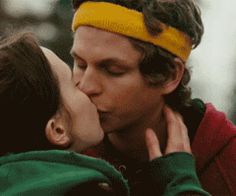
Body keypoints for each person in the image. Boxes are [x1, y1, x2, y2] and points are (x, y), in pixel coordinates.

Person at [0, 32, 209, 195]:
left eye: (112, 69)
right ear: (58, 129)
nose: (86, 87)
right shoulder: (79, 190)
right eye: (73, 84)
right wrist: (182, 184)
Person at [70, 0, 236, 195]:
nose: (86, 86)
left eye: (112, 70)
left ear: (169, 75)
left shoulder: (228, 160)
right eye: (80, 64)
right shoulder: (60, 151)